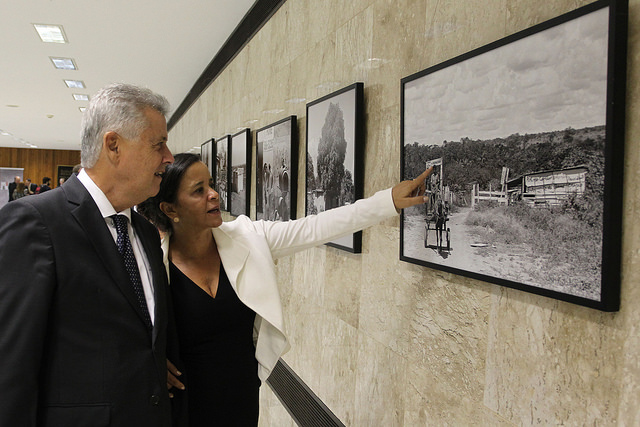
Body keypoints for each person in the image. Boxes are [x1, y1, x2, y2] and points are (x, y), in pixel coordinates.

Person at [140, 153, 432, 426]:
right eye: (198, 190)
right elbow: (118, 328)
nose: (214, 194)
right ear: (170, 209)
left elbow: (316, 227)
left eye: (212, 185)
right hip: (184, 403)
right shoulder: (153, 265)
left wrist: (387, 202)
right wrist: (147, 362)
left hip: (241, 394)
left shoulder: (249, 238)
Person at [0, 83, 181, 426]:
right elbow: (11, 367)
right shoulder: (36, 223)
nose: (168, 157)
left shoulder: (142, 231)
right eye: (158, 144)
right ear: (113, 145)